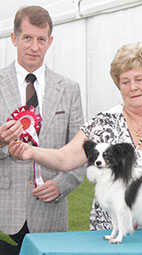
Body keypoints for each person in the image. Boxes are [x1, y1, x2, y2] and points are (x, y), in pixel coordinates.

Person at [9, 41, 142, 232]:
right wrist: (31, 151)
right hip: (113, 233)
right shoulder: (103, 123)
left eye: (139, 79)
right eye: (125, 82)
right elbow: (65, 158)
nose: (133, 87)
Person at [0, 6, 85, 255]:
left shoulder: (69, 89)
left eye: (41, 39)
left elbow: (82, 151)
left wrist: (62, 184)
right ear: (14, 38)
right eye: (27, 38)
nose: (34, 47)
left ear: (50, 41)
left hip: (50, 215)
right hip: (5, 214)